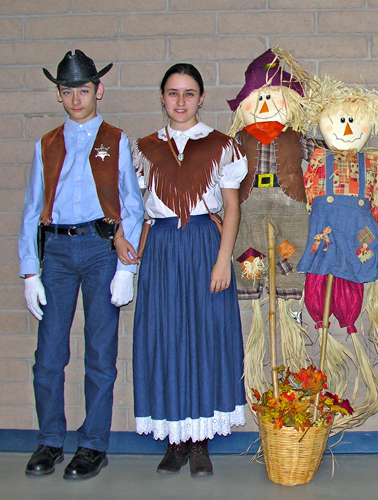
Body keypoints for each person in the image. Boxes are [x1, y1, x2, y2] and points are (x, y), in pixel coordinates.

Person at [116, 63, 247, 477]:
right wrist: (126, 248)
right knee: (166, 334)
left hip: (205, 245)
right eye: (172, 93)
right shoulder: (144, 148)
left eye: (189, 93)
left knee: (206, 335)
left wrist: (224, 258)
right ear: (161, 97)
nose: (180, 101)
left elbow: (232, 207)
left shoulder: (220, 145)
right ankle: (174, 440)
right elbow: (134, 209)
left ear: (201, 98)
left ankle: (200, 444)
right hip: (163, 248)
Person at [18, 50, 144, 480]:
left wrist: (126, 269)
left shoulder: (117, 139)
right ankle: (50, 440)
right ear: (58, 94)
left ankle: (93, 444)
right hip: (55, 251)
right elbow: (33, 207)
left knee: (99, 352)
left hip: (99, 248)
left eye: (84, 90)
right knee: (49, 354)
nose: (76, 99)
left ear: (99, 90)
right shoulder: (47, 144)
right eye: (68, 91)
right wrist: (30, 270)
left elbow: (131, 203)